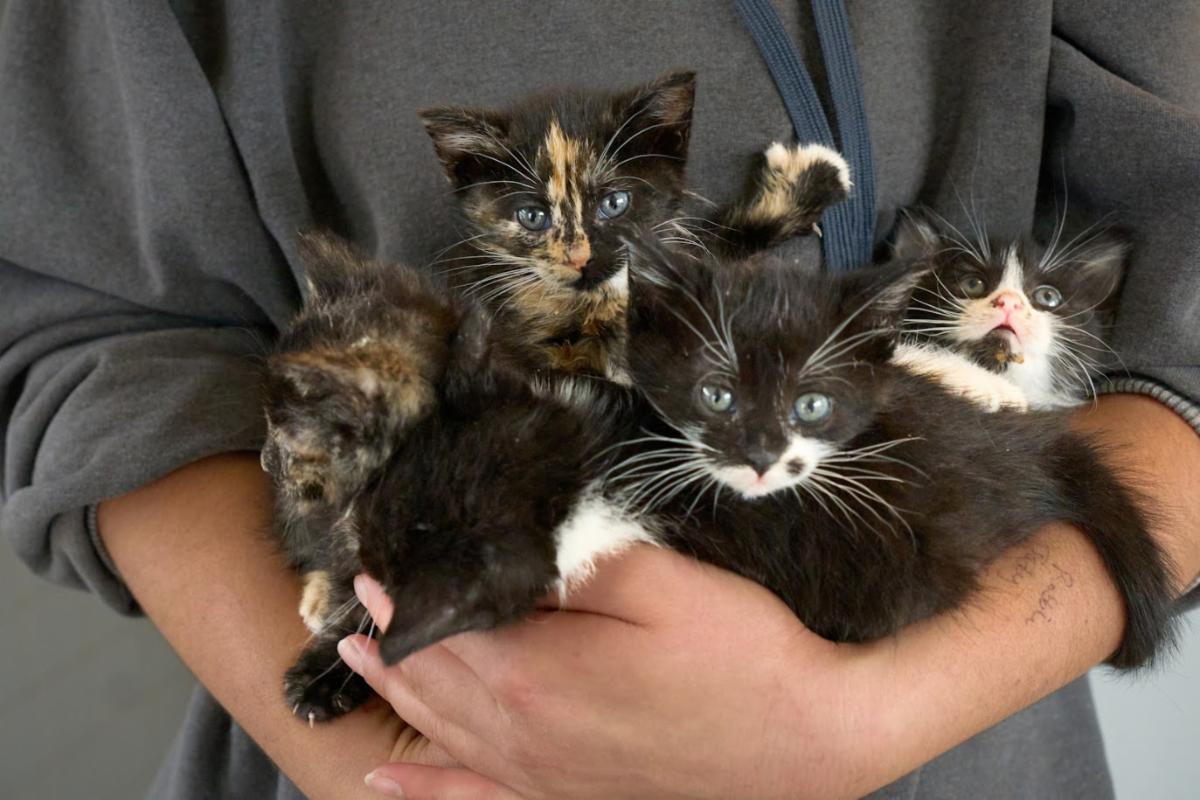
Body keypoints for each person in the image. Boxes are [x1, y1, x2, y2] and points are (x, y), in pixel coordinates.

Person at [2, 2, 1197, 798]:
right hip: (407, 702)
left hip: (965, 738)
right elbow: (87, 317)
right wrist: (389, 762)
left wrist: (876, 714)